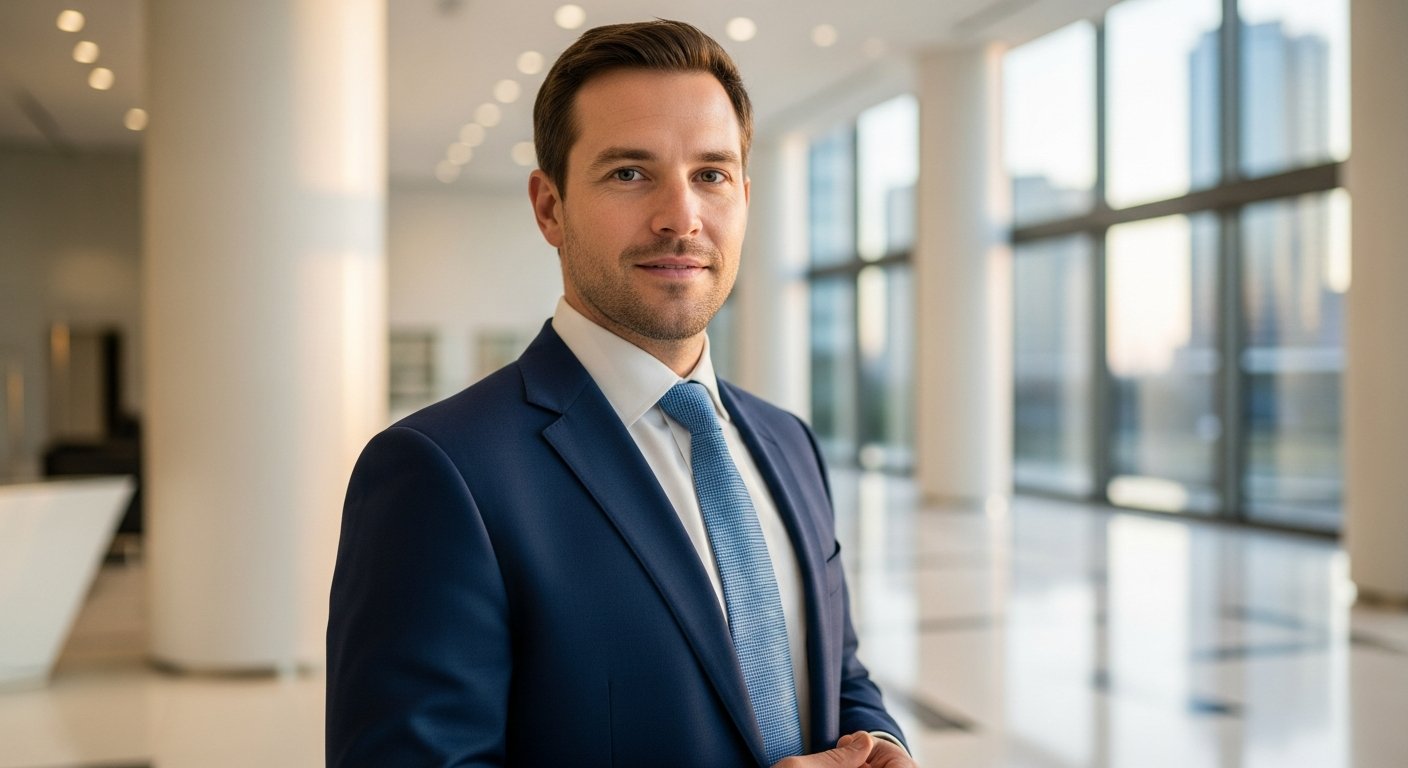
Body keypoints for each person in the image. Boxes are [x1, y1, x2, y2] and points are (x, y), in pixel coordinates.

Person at [326, 19, 915, 768]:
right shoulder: (441, 474)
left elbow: (837, 673)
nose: (681, 217)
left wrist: (882, 745)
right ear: (550, 207)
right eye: (630, 173)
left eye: (711, 174)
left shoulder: (787, 441)